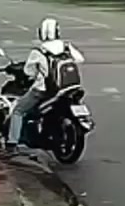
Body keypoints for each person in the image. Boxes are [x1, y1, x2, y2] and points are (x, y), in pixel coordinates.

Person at [6, 16, 85, 152]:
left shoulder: (38, 51)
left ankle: (12, 143)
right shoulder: (66, 46)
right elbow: (80, 59)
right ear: (57, 32)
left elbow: (28, 72)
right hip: (68, 87)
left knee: (18, 111)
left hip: (44, 90)